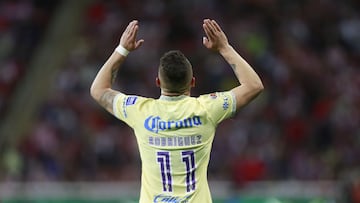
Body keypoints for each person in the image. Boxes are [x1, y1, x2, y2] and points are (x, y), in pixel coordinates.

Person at [90, 19, 263, 203]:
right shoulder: (207, 109)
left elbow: (98, 90)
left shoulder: (140, 111)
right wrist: (225, 48)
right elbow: (253, 85)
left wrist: (122, 49)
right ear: (192, 82)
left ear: (157, 82)